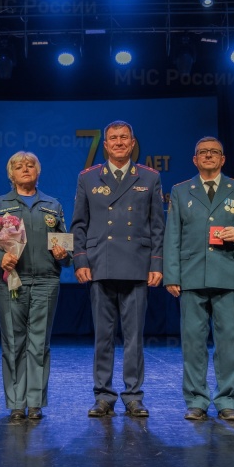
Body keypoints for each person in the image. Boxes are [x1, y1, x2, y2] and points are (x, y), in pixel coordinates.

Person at [70, 120, 165, 418]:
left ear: (133, 142)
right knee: (103, 336)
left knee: (134, 337)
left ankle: (133, 395)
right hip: (100, 265)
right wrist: (81, 260)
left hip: (136, 265)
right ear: (106, 145)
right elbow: (79, 225)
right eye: (113, 138)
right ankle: (103, 396)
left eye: (124, 137)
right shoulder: (88, 178)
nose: (119, 142)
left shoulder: (149, 178)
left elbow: (157, 226)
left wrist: (156, 263)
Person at [163, 136, 234, 422]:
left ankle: (227, 400)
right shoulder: (181, 191)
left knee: (227, 341)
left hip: (227, 274)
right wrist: (172, 274)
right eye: (202, 153)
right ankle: (196, 400)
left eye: (214, 152)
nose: (208, 156)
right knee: (193, 342)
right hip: (191, 275)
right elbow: (173, 236)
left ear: (222, 159)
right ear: (195, 160)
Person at [0, 152, 70, 422]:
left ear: (38, 171)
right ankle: (16, 403)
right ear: (10, 174)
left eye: (30, 165)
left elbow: (65, 247)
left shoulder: (52, 205)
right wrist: (1, 257)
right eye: (18, 166)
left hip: (46, 281)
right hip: (11, 281)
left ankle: (35, 403)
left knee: (39, 344)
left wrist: (62, 254)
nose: (25, 169)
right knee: (13, 343)